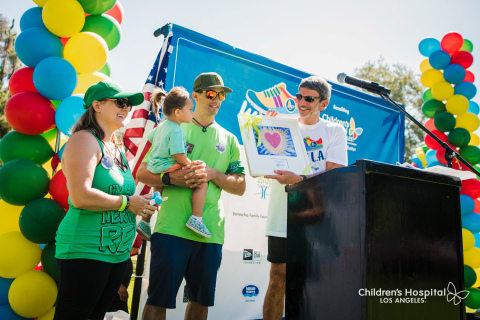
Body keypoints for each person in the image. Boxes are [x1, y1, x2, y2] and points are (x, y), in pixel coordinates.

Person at [136, 72, 246, 320]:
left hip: (209, 232)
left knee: (200, 302)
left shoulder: (230, 140)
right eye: (211, 93)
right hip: (171, 228)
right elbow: (142, 172)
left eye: (221, 95)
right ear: (195, 95)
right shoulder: (173, 127)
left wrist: (214, 174)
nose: (216, 99)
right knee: (157, 301)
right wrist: (169, 178)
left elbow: (240, 186)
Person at [53, 80, 159, 320]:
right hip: (86, 251)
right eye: (120, 102)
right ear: (97, 105)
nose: (127, 108)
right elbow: (80, 196)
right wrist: (127, 202)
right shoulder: (83, 140)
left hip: (117, 255)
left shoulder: (115, 147)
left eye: (129, 104)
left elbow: (120, 196)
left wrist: (141, 204)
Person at [262, 76, 348, 320]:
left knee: (313, 285)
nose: (302, 102)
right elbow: (264, 162)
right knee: (278, 280)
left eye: (309, 98)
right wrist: (265, 127)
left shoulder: (334, 131)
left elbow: (334, 175)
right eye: (299, 96)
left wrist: (299, 180)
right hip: (283, 216)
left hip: (318, 217)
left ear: (324, 104)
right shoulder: (282, 125)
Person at [136, 87, 210, 241]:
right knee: (202, 181)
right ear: (177, 112)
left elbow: (150, 137)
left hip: (154, 165)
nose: (192, 113)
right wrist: (190, 164)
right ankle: (196, 218)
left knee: (158, 192)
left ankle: (145, 222)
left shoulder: (162, 126)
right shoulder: (177, 130)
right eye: (190, 109)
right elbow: (177, 155)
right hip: (167, 165)